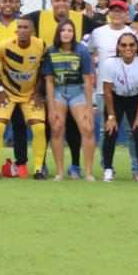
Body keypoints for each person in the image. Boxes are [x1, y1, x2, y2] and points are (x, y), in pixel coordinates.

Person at [0, 17, 50, 179]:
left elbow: (43, 70)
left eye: (26, 27)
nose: (22, 30)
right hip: (7, 94)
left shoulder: (41, 45)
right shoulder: (5, 46)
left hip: (30, 95)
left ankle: (38, 169)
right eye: (20, 27)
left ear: (32, 31)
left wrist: (38, 93)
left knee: (39, 128)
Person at [43, 20, 96, 181]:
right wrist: (51, 108)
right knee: (57, 128)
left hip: (77, 92)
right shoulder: (51, 52)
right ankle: (59, 172)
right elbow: (49, 81)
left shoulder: (82, 51)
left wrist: (88, 107)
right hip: (59, 92)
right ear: (58, 33)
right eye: (63, 30)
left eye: (70, 30)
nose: (67, 33)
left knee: (87, 128)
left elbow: (88, 80)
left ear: (74, 34)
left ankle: (88, 172)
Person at [99, 32, 138, 183]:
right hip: (115, 98)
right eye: (123, 45)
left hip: (136, 99)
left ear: (137, 47)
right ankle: (108, 169)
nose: (127, 48)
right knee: (111, 131)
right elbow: (107, 92)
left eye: (131, 45)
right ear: (118, 47)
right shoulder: (109, 63)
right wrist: (111, 116)